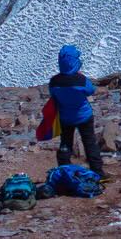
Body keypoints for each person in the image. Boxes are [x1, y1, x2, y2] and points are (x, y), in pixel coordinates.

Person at [36, 44, 104, 179]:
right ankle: (98, 173)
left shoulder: (54, 81)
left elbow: (53, 94)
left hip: (65, 117)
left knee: (66, 143)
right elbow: (90, 90)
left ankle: (64, 171)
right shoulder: (81, 80)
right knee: (89, 143)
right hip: (84, 115)